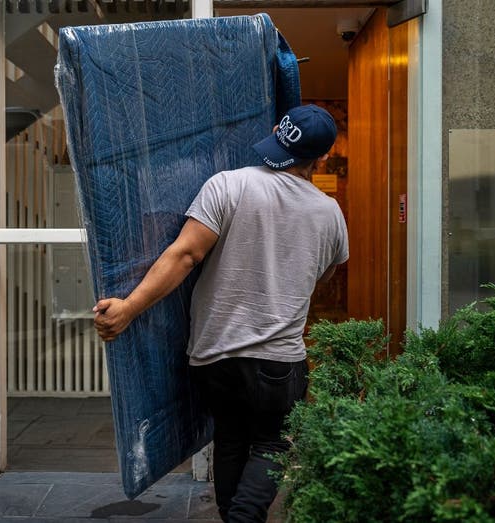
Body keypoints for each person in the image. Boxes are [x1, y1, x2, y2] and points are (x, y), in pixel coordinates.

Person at [93, 104, 349, 522]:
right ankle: (243, 518)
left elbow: (185, 254)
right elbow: (322, 278)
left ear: (276, 134)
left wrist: (128, 308)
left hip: (214, 354)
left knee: (230, 440)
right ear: (320, 158)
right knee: (272, 445)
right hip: (279, 362)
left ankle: (235, 517)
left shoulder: (228, 185)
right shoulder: (330, 213)